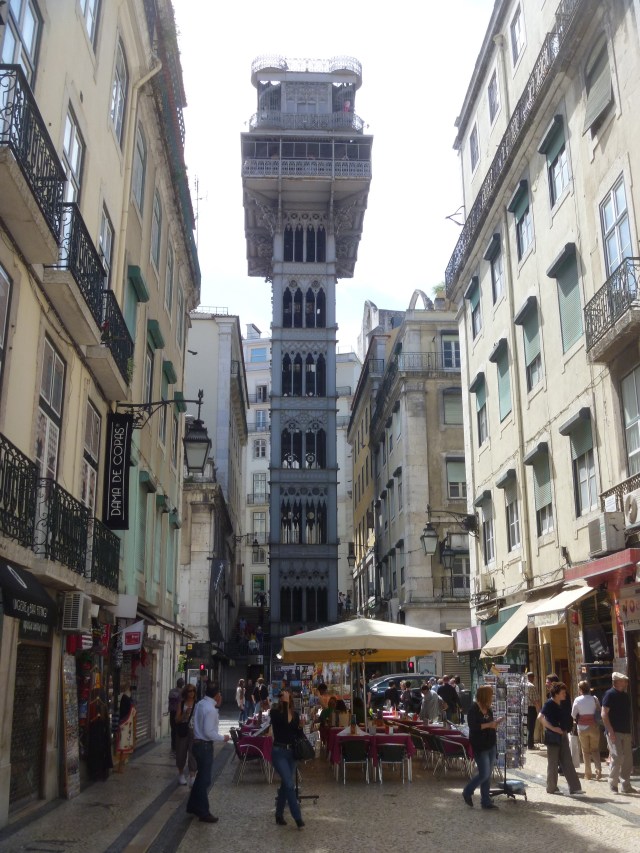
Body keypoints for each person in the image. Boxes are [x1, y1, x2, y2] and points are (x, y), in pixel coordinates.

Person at [186, 683, 230, 823]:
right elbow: (209, 732)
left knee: (200, 778)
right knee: (205, 779)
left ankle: (192, 806)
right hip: (204, 746)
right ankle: (203, 812)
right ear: (217, 695)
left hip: (197, 744)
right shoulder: (210, 709)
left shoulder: (200, 704)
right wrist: (223, 738)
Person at [462, 685, 503, 809]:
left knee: (488, 774)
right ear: (485, 696)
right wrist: (489, 724)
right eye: (491, 695)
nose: (492, 697)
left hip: (490, 744)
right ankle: (467, 791)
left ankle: (485, 800)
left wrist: (495, 724)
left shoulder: (488, 709)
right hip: (480, 745)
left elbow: (490, 725)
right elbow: (473, 726)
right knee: (484, 773)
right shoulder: (473, 710)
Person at [539, 681, 584, 796]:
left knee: (567, 760)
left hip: (563, 734)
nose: (565, 694)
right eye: (563, 692)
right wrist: (553, 728)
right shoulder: (549, 704)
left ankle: (575, 787)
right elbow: (540, 717)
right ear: (557, 693)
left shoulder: (563, 703)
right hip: (553, 736)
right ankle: (551, 787)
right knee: (553, 762)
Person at [270, 689, 305, 828]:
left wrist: (301, 727)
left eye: (288, 698)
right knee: (290, 785)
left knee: (286, 784)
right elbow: (284, 722)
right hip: (279, 752)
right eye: (284, 698)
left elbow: (297, 734)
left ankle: (279, 814)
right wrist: (284, 705)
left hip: (292, 753)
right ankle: (298, 818)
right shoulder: (274, 713)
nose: (286, 700)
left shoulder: (295, 715)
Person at [601, 671, 638, 794]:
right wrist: (610, 731)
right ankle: (613, 784)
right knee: (617, 757)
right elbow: (604, 714)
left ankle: (626, 785)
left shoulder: (625, 696)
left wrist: (630, 732)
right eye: (624, 680)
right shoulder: (609, 694)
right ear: (617, 682)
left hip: (625, 731)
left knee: (628, 759)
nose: (626, 682)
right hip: (614, 731)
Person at [571, 679, 602, 781]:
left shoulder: (577, 700)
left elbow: (573, 714)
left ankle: (588, 774)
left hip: (582, 728)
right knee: (595, 750)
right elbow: (599, 710)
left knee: (585, 751)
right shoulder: (594, 698)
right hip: (593, 726)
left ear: (580, 689)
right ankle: (598, 770)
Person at [175, 683, 197, 786]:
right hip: (183, 731)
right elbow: (177, 719)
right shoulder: (181, 703)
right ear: (186, 692)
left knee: (193, 754)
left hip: (194, 731)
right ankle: (181, 774)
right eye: (189, 691)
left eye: (193, 690)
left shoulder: (197, 704)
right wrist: (185, 714)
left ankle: (192, 776)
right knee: (181, 753)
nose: (192, 693)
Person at [525, 672, 541, 750]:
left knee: (525, 727)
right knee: (531, 727)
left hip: (524, 709)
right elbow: (536, 700)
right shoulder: (532, 686)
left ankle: (525, 744)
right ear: (532, 678)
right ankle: (530, 745)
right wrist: (539, 711)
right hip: (531, 709)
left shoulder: (522, 685)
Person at [168, 677, 184, 754]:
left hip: (173, 712)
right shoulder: (183, 692)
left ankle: (174, 746)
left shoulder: (172, 691)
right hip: (178, 712)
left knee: (174, 730)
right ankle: (177, 746)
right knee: (178, 730)